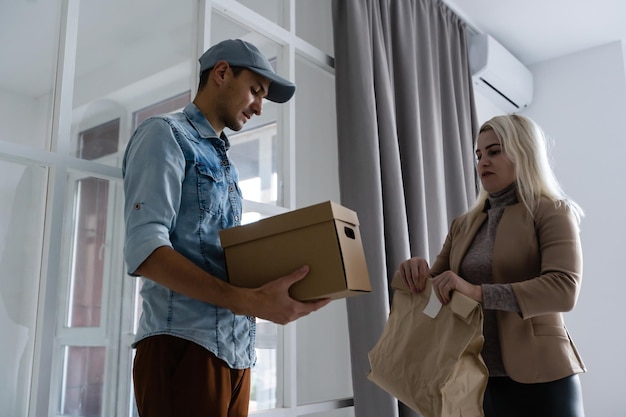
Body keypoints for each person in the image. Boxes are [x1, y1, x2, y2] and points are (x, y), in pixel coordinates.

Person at [123, 38, 330, 417]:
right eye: (255, 90)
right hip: (182, 347)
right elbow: (145, 250)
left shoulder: (226, 164)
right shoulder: (163, 134)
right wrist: (252, 302)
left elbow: (216, 257)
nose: (260, 106)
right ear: (221, 73)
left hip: (236, 354)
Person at [398, 114, 586, 417]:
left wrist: (478, 292)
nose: (482, 161)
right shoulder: (463, 224)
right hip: (476, 379)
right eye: (479, 154)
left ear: (522, 152)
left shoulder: (552, 211)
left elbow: (563, 290)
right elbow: (438, 291)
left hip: (542, 378)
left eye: (494, 151)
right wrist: (416, 273)